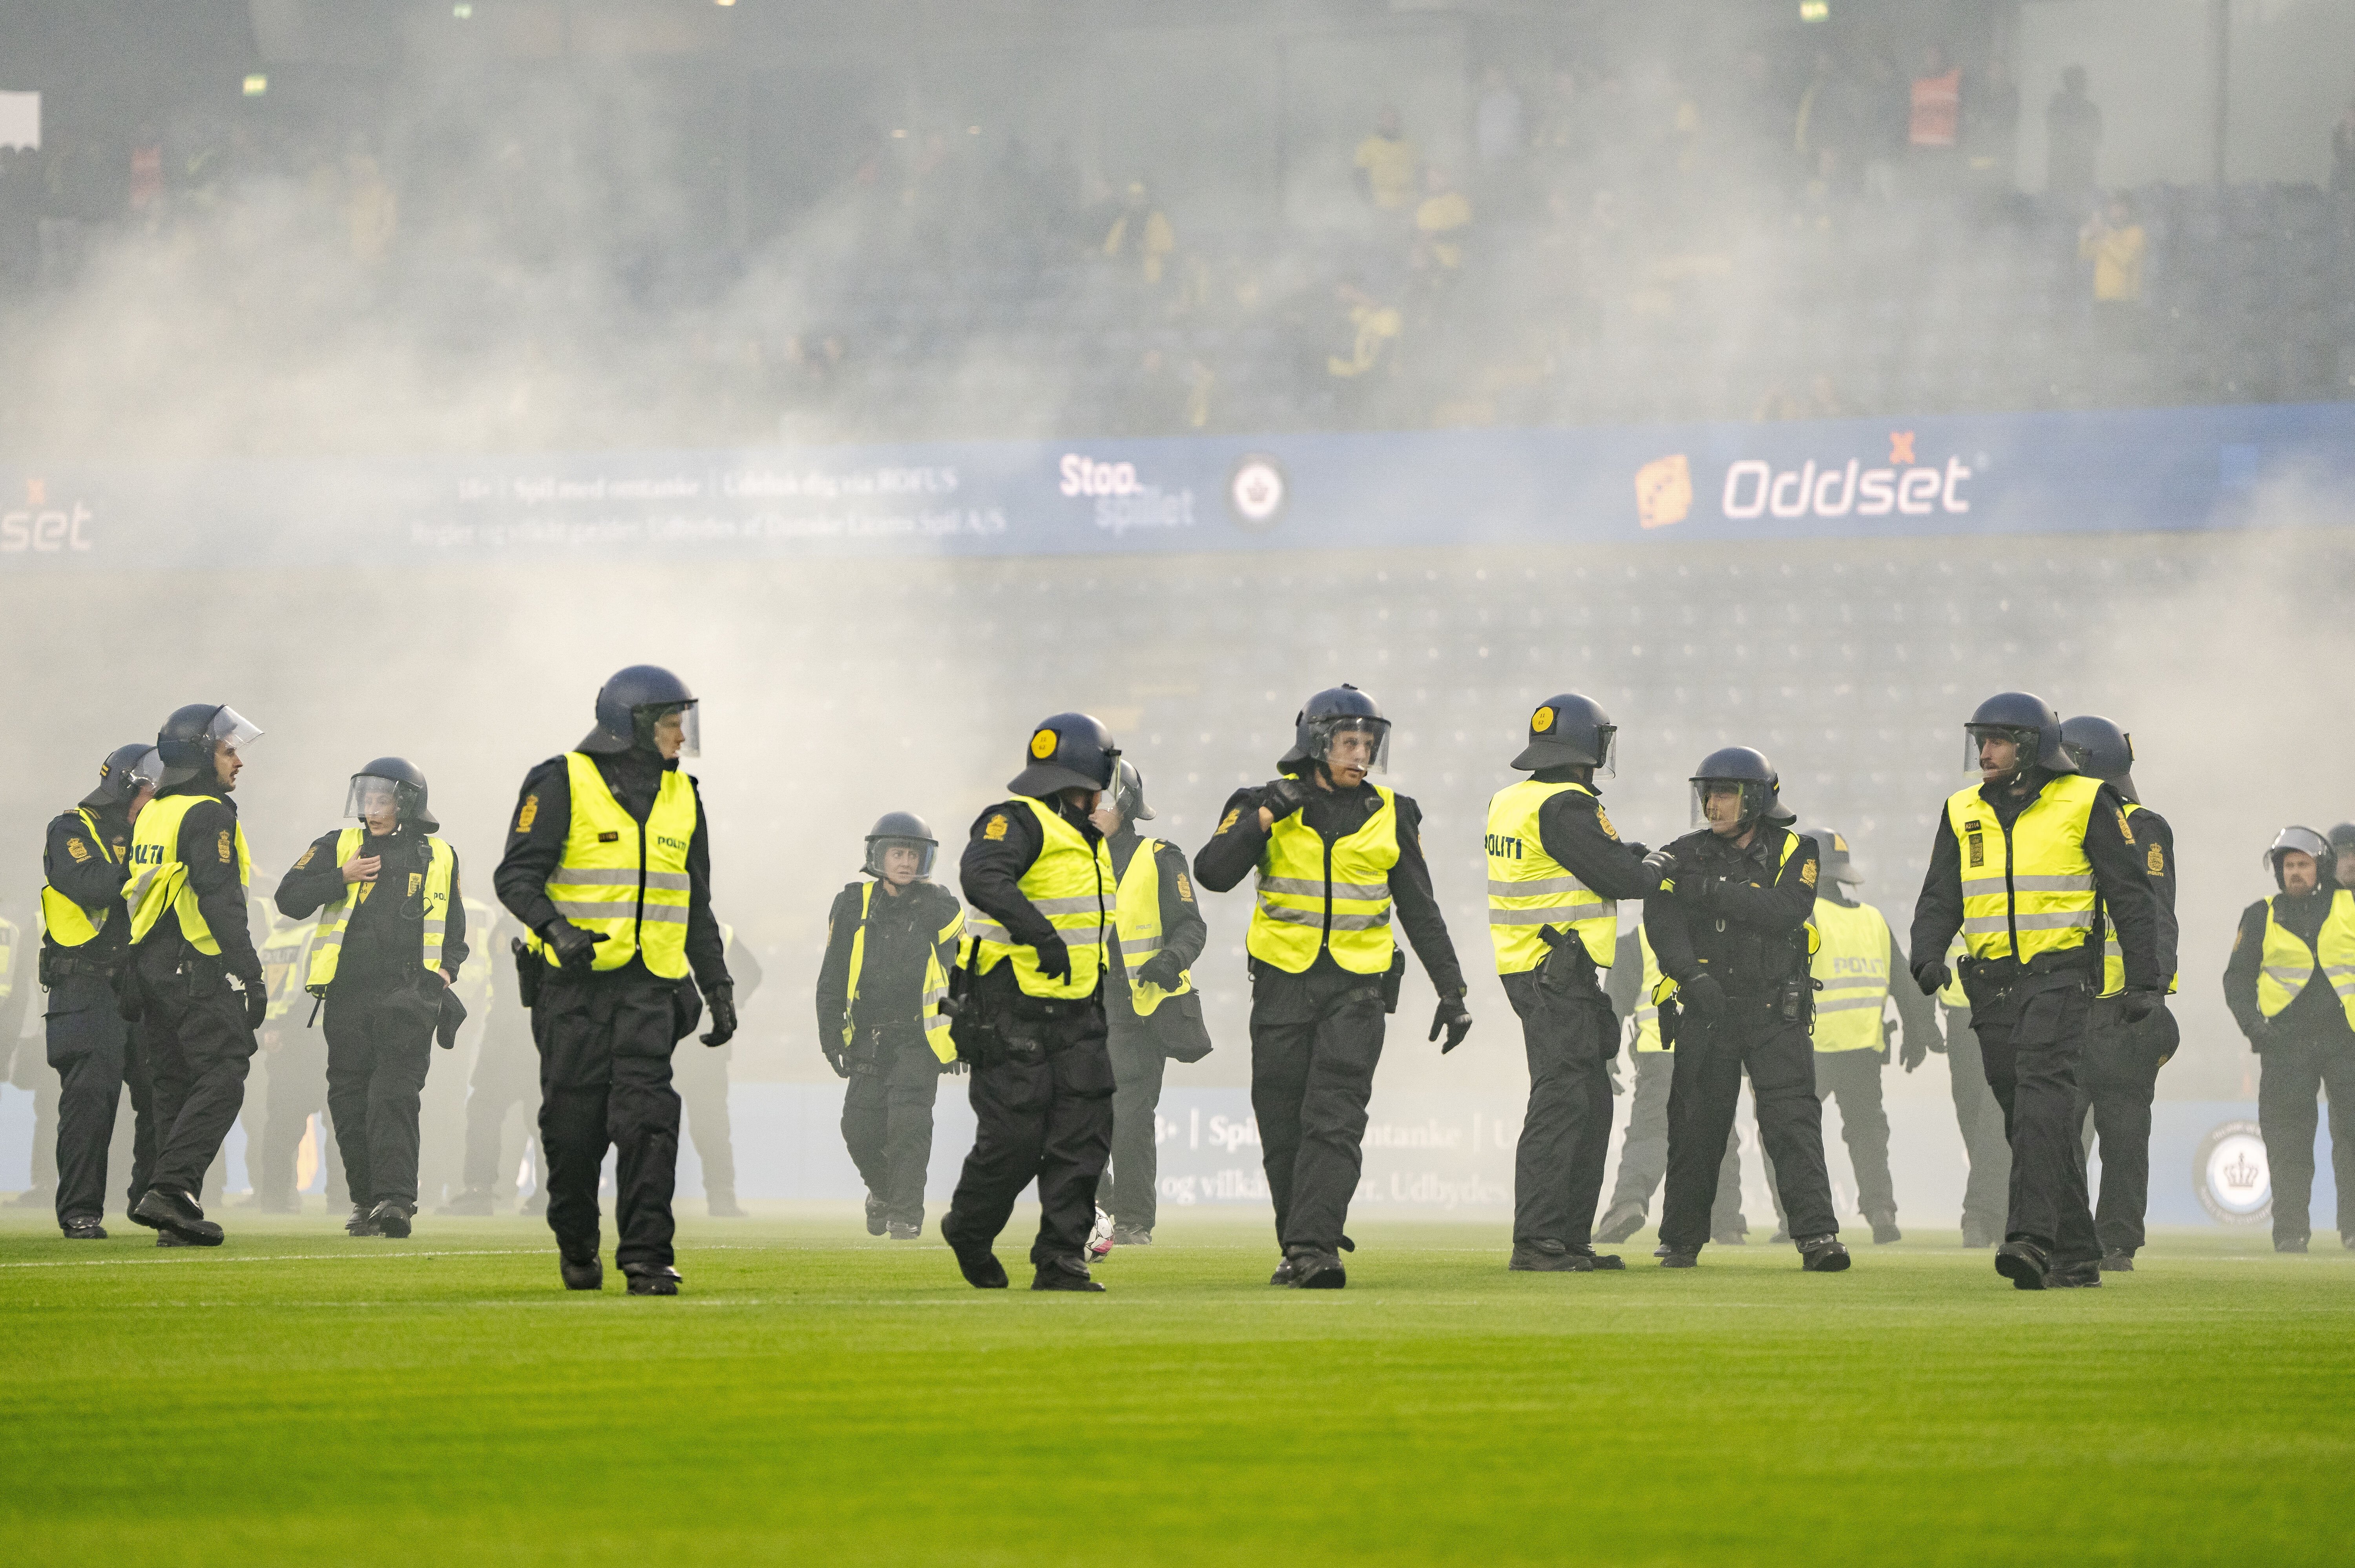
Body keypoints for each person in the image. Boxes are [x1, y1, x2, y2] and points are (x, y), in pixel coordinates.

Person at [1194, 685, 1472, 1289]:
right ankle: (1298, 1246)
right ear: (1317, 743)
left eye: (1369, 743)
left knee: (1335, 1118)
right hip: (1280, 989)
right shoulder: (1257, 802)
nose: (1362, 755)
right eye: (1350, 742)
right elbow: (1212, 873)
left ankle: (1316, 1246)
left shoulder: (1395, 812)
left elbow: (1420, 910)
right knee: (1282, 1125)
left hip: (1357, 990)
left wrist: (1453, 992)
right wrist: (1265, 819)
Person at [1909, 691, 2163, 1290]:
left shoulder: (2088, 800)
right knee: (2023, 1114)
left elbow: (2131, 894)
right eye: (1980, 741)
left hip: (2061, 977)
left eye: (1996, 741)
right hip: (1991, 985)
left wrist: (2148, 979)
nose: (1984, 752)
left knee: (2044, 1103)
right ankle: (2078, 1252)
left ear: (2031, 747)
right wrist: (1925, 955)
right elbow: (1941, 894)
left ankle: (2030, 1238)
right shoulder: (1961, 808)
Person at [495, 665, 736, 1295]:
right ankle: (576, 1240)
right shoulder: (559, 781)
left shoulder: (686, 797)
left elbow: (695, 903)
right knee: (572, 1138)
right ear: (631, 724)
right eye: (671, 724)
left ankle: (648, 1257)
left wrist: (718, 988)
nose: (682, 738)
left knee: (649, 1123)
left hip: (651, 993)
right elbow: (515, 877)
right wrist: (557, 930)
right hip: (572, 992)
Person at [1643, 748, 1849, 1273]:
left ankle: (1817, 1236)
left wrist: (1704, 891)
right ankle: (1681, 1241)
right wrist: (1692, 976)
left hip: (1773, 1009)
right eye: (1708, 794)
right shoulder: (1679, 852)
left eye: (1725, 794)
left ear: (1755, 799)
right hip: (1706, 1007)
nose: (1713, 805)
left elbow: (1783, 912)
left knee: (1793, 1122)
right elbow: (1662, 921)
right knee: (1695, 1127)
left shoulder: (1797, 851)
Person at [941, 715, 1122, 1293]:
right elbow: (982, 875)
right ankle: (970, 1229)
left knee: (1082, 1142)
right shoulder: (1017, 821)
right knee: (1014, 1146)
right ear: (1088, 777)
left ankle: (1061, 1259)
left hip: (1077, 1016)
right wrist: (1040, 936)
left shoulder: (1090, 843)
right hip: (1010, 1013)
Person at [1484, 693, 1654, 1272]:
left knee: (1586, 1101)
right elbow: (1619, 877)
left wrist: (1619, 856)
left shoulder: (1512, 801)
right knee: (1563, 1103)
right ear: (1589, 745)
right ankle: (1538, 1241)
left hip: (1537, 968)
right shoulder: (1568, 804)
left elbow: (1566, 864)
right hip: (1557, 971)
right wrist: (1654, 867)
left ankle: (1567, 1240)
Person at [274, 759, 469, 1240]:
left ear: (407, 802)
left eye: (383, 800)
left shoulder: (441, 854)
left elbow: (456, 930)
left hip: (409, 995)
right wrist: (341, 876)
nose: (372, 809)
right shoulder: (337, 845)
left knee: (394, 1095)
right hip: (346, 995)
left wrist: (446, 973)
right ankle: (365, 1202)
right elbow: (289, 899)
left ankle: (396, 1201)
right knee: (349, 1099)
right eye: (367, 799)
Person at [119, 704, 268, 1246]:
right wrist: (250, 974)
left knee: (173, 1087)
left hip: (149, 967)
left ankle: (173, 1218)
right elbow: (220, 898)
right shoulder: (209, 813)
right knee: (226, 1070)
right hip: (190, 963)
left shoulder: (154, 811)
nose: (238, 763)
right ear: (204, 755)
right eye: (229, 751)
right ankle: (171, 1189)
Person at [1760, 828, 1937, 1247]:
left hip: (1809, 1049)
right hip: (1864, 1051)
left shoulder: (1801, 916)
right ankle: (1881, 1213)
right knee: (1868, 1136)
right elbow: (1906, 988)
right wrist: (1918, 1035)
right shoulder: (1873, 920)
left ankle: (1793, 1219)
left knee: (1785, 1132)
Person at [2060, 716, 2178, 1271]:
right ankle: (2064, 1234)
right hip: (2071, 999)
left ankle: (2119, 1242)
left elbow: (2156, 915)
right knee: (2059, 1131)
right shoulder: (2061, 820)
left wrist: (2150, 991)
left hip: (2124, 1008)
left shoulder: (2142, 826)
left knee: (2124, 1132)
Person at [816, 813, 964, 1240]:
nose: (906, 862)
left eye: (914, 854)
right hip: (867, 1034)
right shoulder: (850, 903)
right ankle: (882, 1194)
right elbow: (832, 975)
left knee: (909, 1125)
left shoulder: (941, 904)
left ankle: (906, 1217)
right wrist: (831, 1037)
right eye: (898, 853)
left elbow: (963, 974)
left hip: (921, 1037)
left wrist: (962, 1038)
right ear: (878, 856)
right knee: (858, 1128)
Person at [35, 745, 160, 1237]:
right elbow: (88, 884)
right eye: (153, 783)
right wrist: (142, 875)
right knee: (91, 1097)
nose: (161, 791)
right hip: (85, 983)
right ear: (131, 786)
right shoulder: (71, 828)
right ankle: (81, 1212)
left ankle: (152, 1200)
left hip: (141, 984)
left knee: (161, 1096)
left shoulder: (155, 829)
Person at [1089, 762, 1212, 1253]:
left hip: (1137, 1007)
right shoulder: (1064, 863)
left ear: (1124, 805)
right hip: (1081, 1010)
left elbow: (1192, 927)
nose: (1087, 809)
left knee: (1129, 1116)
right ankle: (1104, 1206)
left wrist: (1170, 960)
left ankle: (1134, 1221)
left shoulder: (1158, 856)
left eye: (1097, 800)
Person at [2222, 828, 2355, 1254]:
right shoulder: (2259, 914)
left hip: (2346, 1041)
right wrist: (2255, 1029)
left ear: (2321, 868)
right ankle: (2291, 1234)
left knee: (2353, 1138)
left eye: (2304, 864)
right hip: (2285, 1045)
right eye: (2288, 866)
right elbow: (2237, 980)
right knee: (2287, 1144)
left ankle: (2353, 1230)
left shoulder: (2351, 906)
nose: (2295, 873)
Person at [1596, 919, 1747, 1245]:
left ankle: (1628, 1203)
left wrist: (1606, 1062)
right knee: (1720, 1138)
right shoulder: (1721, 929)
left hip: (1662, 1056)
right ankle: (1726, 1223)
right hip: (1714, 1052)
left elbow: (1612, 1007)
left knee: (1651, 1133)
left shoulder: (1635, 941)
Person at [240, 904, 347, 1215]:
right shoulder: (318, 935)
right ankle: (341, 1201)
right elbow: (313, 987)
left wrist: (268, 1032)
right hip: (315, 1039)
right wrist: (286, 1029)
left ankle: (274, 1199)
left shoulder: (273, 939)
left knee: (280, 1128)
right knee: (339, 1124)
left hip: (279, 1045)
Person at [440, 908, 542, 1216]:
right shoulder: (560, 917)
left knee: (485, 1108)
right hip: (549, 1030)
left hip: (510, 1033)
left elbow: (507, 985)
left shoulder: (511, 925)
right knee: (545, 1114)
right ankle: (555, 1193)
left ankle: (479, 1191)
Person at [676, 926, 761, 1218]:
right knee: (712, 1128)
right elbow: (753, 972)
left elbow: (752, 973)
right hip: (706, 1046)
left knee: (652, 1124)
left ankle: (646, 1199)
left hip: (663, 1041)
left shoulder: (650, 915)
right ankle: (722, 1197)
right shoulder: (721, 931)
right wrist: (726, 1005)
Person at [1934, 934, 2011, 1247]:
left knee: (1993, 1119)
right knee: (1975, 1119)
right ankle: (2000, 1214)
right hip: (1964, 1015)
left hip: (2006, 1009)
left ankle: (1980, 1214)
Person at [2046, 65, 2102, 199]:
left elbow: (2097, 137)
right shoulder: (2058, 106)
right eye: (2075, 81)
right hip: (2066, 164)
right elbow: (2098, 137)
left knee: (2070, 199)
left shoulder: (2057, 105)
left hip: (2077, 165)